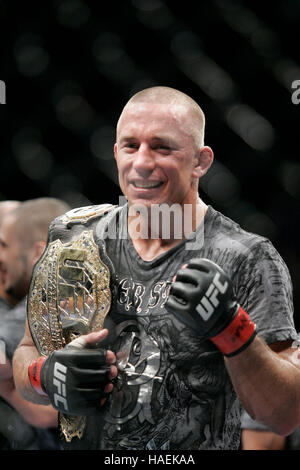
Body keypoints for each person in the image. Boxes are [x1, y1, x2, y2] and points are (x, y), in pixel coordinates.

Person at [12, 86, 299, 450]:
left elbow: (285, 414)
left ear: (201, 161)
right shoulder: (73, 240)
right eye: (131, 146)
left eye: (162, 147)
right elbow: (26, 352)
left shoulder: (246, 257)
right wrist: (44, 376)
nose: (143, 163)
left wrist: (231, 329)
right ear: (116, 153)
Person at [0, 197, 70, 449]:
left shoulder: (53, 299)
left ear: (37, 252)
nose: (2, 256)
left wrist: (8, 384)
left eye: (5, 245)